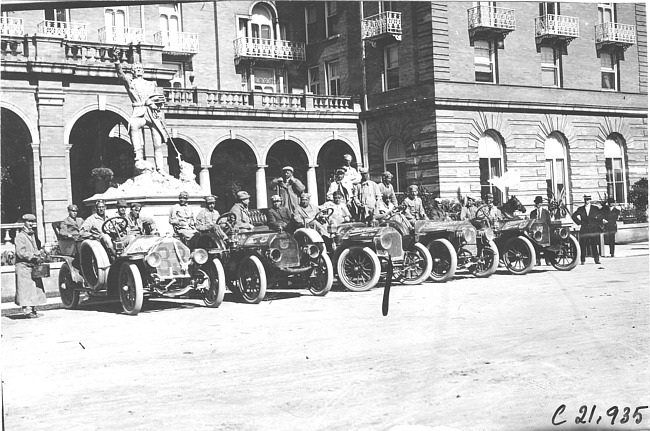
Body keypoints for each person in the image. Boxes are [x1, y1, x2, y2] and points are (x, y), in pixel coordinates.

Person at [115, 62, 169, 172]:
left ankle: (160, 168)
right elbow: (121, 75)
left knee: (157, 142)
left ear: (143, 71)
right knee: (134, 126)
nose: (138, 70)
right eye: (136, 68)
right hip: (139, 111)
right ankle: (138, 156)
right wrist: (117, 62)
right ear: (132, 71)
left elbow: (159, 99)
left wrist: (156, 105)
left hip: (151, 113)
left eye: (140, 68)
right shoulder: (130, 82)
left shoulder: (151, 84)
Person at [14, 214, 47, 318]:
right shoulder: (20, 237)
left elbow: (35, 247)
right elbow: (20, 252)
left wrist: (40, 254)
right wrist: (33, 255)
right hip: (23, 266)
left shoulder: (32, 235)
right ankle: (27, 311)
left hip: (32, 266)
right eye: (29, 222)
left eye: (33, 222)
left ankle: (32, 310)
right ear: (24, 223)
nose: (31, 224)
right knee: (25, 289)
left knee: (34, 289)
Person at [571, 194, 602, 265]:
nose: (586, 201)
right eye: (585, 200)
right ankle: (583, 260)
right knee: (583, 245)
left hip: (593, 229)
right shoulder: (581, 209)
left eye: (588, 199)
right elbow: (574, 216)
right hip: (584, 229)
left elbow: (600, 216)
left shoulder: (595, 208)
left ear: (590, 200)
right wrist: (579, 223)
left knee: (594, 245)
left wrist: (597, 223)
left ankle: (596, 259)